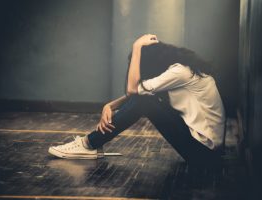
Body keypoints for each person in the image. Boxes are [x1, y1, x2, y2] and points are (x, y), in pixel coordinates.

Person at [48, 34, 225, 168]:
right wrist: (109, 106)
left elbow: (133, 90)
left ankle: (89, 144)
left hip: (204, 155)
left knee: (144, 102)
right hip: (206, 152)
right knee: (146, 99)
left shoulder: (180, 72)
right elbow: (139, 93)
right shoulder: (182, 70)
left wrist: (137, 46)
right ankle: (91, 143)